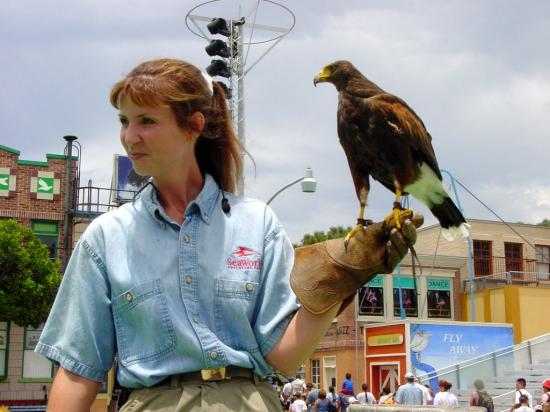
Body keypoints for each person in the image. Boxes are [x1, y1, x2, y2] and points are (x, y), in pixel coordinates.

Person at [35, 58, 422, 412]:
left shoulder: (257, 224)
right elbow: (77, 373)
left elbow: (283, 358)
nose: (129, 136)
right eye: (124, 120)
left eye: (146, 121)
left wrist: (342, 278)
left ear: (195, 126)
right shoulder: (105, 238)